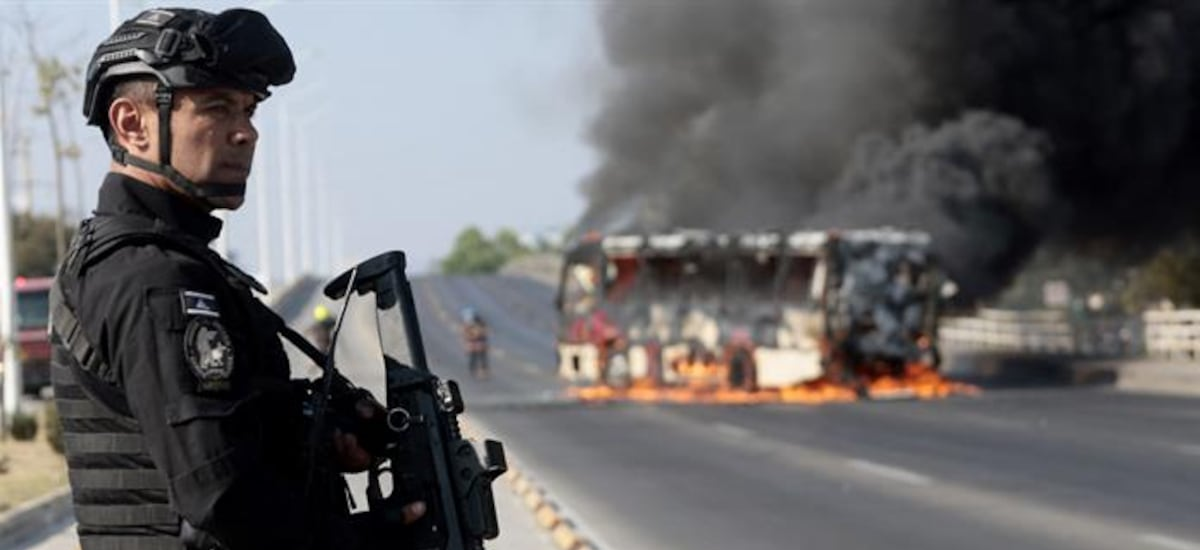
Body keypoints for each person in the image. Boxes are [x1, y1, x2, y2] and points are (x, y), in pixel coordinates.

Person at [49, 8, 421, 550]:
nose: (245, 132)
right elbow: (223, 497)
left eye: (248, 109)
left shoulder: (169, 262)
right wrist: (368, 539)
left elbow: (218, 434)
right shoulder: (154, 279)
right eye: (217, 107)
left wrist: (313, 429)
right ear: (132, 123)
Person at [461, 308, 489, 379]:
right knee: (473, 358)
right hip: (473, 344)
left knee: (482, 358)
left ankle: (483, 371)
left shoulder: (480, 323)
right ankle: (474, 371)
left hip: (480, 343)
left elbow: (484, 333)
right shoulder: (467, 325)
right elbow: (466, 335)